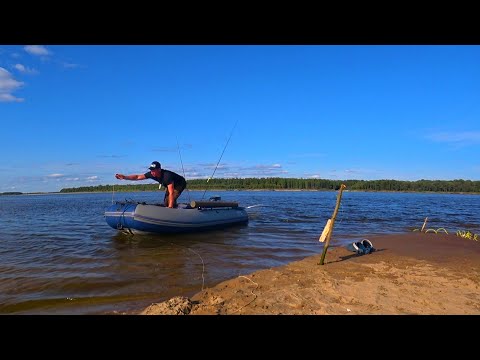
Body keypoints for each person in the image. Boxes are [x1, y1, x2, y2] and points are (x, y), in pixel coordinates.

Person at [115, 161, 187, 208]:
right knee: (166, 202)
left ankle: (174, 211)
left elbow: (171, 193)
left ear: (159, 170)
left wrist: (170, 208)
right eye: (151, 170)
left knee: (170, 201)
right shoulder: (151, 174)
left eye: (154, 170)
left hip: (180, 183)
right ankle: (174, 207)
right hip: (169, 185)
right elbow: (137, 177)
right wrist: (124, 177)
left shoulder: (167, 176)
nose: (152, 172)